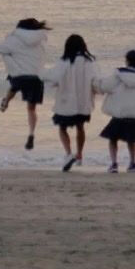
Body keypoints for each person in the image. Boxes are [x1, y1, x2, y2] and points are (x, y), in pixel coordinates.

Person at [0, 18, 49, 150]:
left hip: (18, 76)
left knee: (9, 60)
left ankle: (6, 100)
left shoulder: (13, 39)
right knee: (31, 109)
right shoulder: (41, 41)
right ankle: (31, 133)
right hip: (37, 78)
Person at [43, 34, 100, 171]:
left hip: (65, 103)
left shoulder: (63, 61)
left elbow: (54, 79)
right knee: (80, 127)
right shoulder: (89, 62)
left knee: (62, 128)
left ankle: (68, 153)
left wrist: (41, 77)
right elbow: (95, 80)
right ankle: (79, 154)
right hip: (82, 103)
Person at [98, 50, 135, 173]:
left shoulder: (118, 75)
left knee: (113, 139)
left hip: (120, 114)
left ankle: (114, 164)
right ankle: (132, 163)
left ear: (127, 61)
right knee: (132, 140)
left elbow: (105, 87)